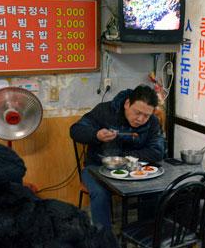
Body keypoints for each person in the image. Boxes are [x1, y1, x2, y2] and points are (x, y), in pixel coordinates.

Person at [69, 85, 164, 231]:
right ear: (127, 104)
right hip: (97, 166)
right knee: (100, 194)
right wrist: (96, 135)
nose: (140, 119)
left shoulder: (152, 122)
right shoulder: (105, 111)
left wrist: (125, 159)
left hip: (135, 168)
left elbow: (156, 152)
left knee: (153, 192)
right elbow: (75, 131)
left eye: (146, 115)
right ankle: (104, 241)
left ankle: (146, 240)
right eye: (137, 113)